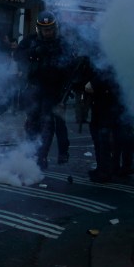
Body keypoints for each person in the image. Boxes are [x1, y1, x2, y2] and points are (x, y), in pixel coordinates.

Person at [14, 11, 77, 170]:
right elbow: (17, 55)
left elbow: (71, 67)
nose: (47, 32)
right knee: (31, 123)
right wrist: (32, 53)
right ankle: (31, 153)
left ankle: (42, 158)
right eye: (44, 29)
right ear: (39, 29)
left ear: (55, 28)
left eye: (50, 29)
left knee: (48, 125)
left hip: (54, 91)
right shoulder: (32, 41)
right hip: (34, 89)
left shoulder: (62, 44)